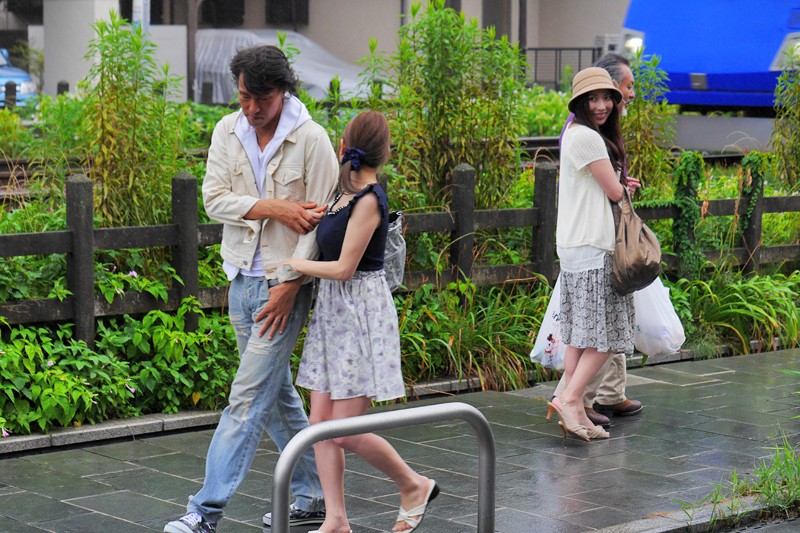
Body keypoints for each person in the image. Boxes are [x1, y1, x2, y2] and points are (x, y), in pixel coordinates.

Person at [164, 44, 338, 533]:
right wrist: (276, 207)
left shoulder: (311, 139)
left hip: (284, 286)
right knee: (275, 394)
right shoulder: (228, 130)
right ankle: (314, 492)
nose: (251, 108)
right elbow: (214, 199)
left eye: (262, 98)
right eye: (244, 97)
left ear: (283, 91)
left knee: (245, 398)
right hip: (240, 277)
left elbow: (322, 221)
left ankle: (204, 511)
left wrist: (291, 283)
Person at [283, 110, 439, 533]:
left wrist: (294, 264)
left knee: (345, 431)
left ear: (342, 145)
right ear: (385, 153)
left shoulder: (370, 199)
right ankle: (336, 519)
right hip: (334, 314)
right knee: (320, 426)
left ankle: (414, 484)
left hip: (360, 314)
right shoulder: (341, 194)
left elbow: (344, 268)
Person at [546, 67, 639, 442]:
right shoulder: (587, 137)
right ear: (580, 103)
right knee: (611, 333)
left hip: (576, 245)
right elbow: (614, 193)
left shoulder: (576, 133)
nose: (601, 105)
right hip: (595, 246)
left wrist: (618, 183)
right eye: (593, 99)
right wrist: (624, 187)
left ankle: (574, 407)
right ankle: (571, 399)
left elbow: (601, 185)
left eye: (606, 98)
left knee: (579, 336)